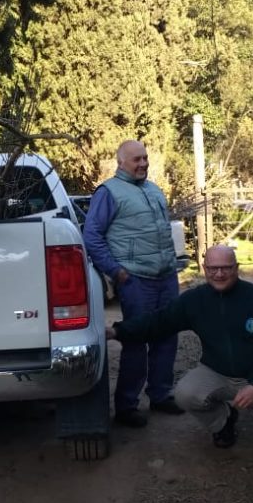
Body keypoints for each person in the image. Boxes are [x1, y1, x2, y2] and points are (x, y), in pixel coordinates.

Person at [106, 245, 253, 454]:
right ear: (204, 268)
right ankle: (224, 422)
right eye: (213, 268)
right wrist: (117, 331)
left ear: (237, 268)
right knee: (184, 394)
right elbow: (158, 322)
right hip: (216, 371)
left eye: (226, 268)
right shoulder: (194, 300)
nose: (219, 274)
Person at [84, 140, 182, 428]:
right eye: (136, 159)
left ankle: (161, 395)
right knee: (136, 340)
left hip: (166, 276)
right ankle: (127, 406)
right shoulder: (108, 192)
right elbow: (92, 236)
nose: (142, 164)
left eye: (145, 158)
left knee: (167, 336)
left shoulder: (153, 190)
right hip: (136, 280)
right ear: (121, 162)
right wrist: (116, 272)